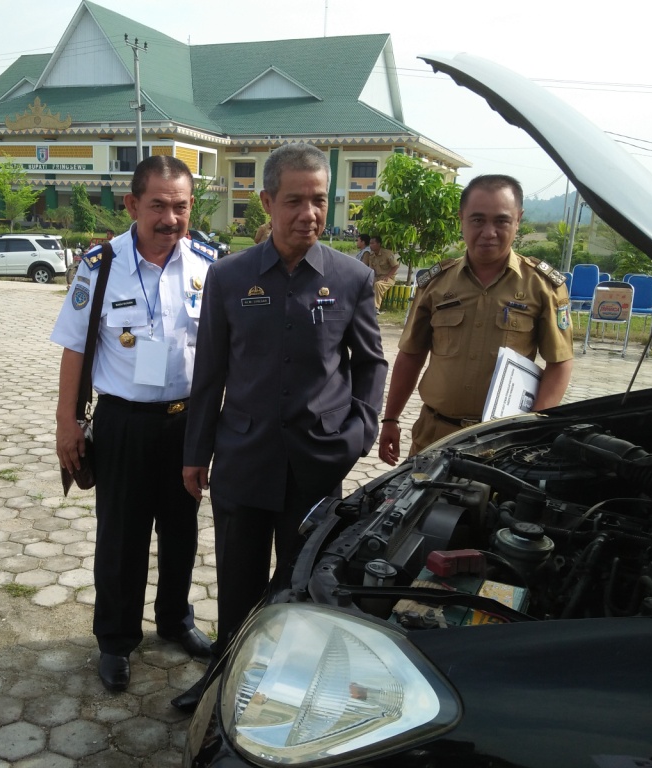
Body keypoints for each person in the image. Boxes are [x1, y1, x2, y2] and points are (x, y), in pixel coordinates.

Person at [177, 143, 387, 708]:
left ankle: (293, 691)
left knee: (303, 584)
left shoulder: (351, 279)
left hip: (317, 465)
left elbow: (371, 362)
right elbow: (211, 372)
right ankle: (224, 681)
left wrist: (360, 433)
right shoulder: (228, 276)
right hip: (243, 459)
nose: (308, 214)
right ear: (266, 201)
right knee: (239, 582)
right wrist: (196, 453)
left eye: (318, 200)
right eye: (294, 200)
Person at [51, 155, 215, 693]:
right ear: (132, 205)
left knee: (181, 531)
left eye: (181, 206)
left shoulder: (209, 264)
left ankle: (175, 621)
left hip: (187, 423)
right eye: (158, 206)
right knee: (120, 539)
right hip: (122, 422)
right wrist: (67, 424)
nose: (171, 218)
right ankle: (116, 641)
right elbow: (75, 348)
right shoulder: (100, 266)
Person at [378, 174, 573, 465]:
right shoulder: (435, 284)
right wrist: (391, 418)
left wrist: (534, 426)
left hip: (504, 441)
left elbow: (559, 363)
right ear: (462, 219)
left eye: (502, 221)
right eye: (478, 220)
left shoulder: (543, 286)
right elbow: (411, 355)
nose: (489, 232)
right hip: (435, 435)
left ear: (518, 220)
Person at [361, 234, 400, 311]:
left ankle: (376, 308)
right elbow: (370, 269)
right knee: (364, 284)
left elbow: (395, 266)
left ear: (379, 244)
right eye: (370, 243)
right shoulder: (371, 255)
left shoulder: (387, 254)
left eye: (373, 243)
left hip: (388, 278)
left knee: (378, 285)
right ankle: (363, 306)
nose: (371, 245)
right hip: (376, 277)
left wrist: (388, 276)